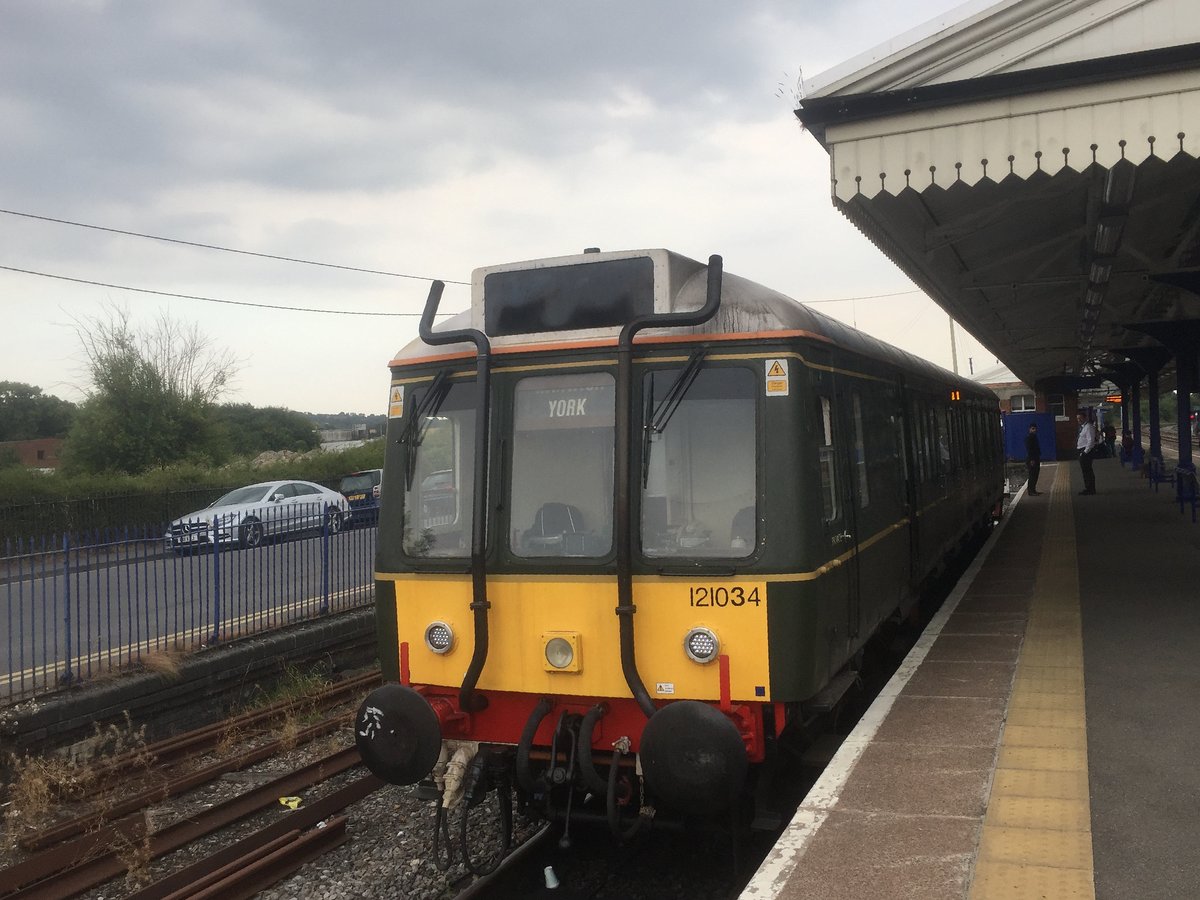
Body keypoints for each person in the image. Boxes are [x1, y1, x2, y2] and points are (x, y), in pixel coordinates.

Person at [1076, 410, 1100, 495]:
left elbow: (1091, 441)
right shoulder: (1083, 427)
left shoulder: (1088, 427)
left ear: (1085, 418)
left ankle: (1090, 489)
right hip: (1083, 451)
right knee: (1085, 471)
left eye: (1080, 418)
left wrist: (1085, 452)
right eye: (1078, 418)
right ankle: (1088, 488)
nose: (1079, 420)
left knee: (1087, 471)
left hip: (1086, 452)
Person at [1025, 423, 1042, 495]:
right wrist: (1031, 460)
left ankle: (1033, 490)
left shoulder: (1034, 437)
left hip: (1036, 458)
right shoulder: (1029, 438)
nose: (1034, 430)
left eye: (1035, 428)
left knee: (1035, 474)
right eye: (1032, 428)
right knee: (1032, 475)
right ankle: (1031, 491)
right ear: (1029, 429)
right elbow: (1029, 449)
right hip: (1032, 459)